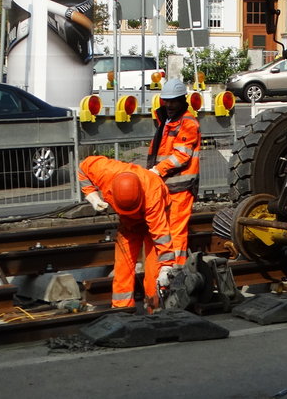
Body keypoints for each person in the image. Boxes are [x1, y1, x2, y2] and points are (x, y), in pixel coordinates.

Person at [77, 155, 176, 310]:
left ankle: (155, 309)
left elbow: (161, 235)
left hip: (156, 215)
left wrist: (166, 267)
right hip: (128, 223)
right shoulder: (105, 172)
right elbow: (83, 167)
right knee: (123, 266)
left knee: (154, 271)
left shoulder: (153, 195)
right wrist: (92, 196)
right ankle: (122, 309)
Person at [147, 77, 201, 268]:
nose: (169, 105)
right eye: (167, 101)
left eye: (174, 101)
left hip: (181, 186)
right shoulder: (166, 120)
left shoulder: (187, 123)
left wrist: (157, 170)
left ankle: (177, 270)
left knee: (176, 231)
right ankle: (165, 268)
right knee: (164, 228)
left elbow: (182, 156)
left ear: (182, 100)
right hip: (166, 183)